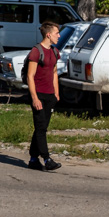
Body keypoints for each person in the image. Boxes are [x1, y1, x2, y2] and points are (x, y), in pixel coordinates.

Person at [26, 21, 62, 171]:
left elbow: (54, 73)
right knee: (41, 128)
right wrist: (34, 98)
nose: (59, 36)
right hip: (38, 95)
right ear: (48, 35)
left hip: (50, 96)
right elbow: (30, 76)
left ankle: (34, 159)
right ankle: (47, 159)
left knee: (42, 127)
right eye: (56, 33)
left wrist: (56, 93)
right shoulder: (36, 51)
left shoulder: (54, 52)